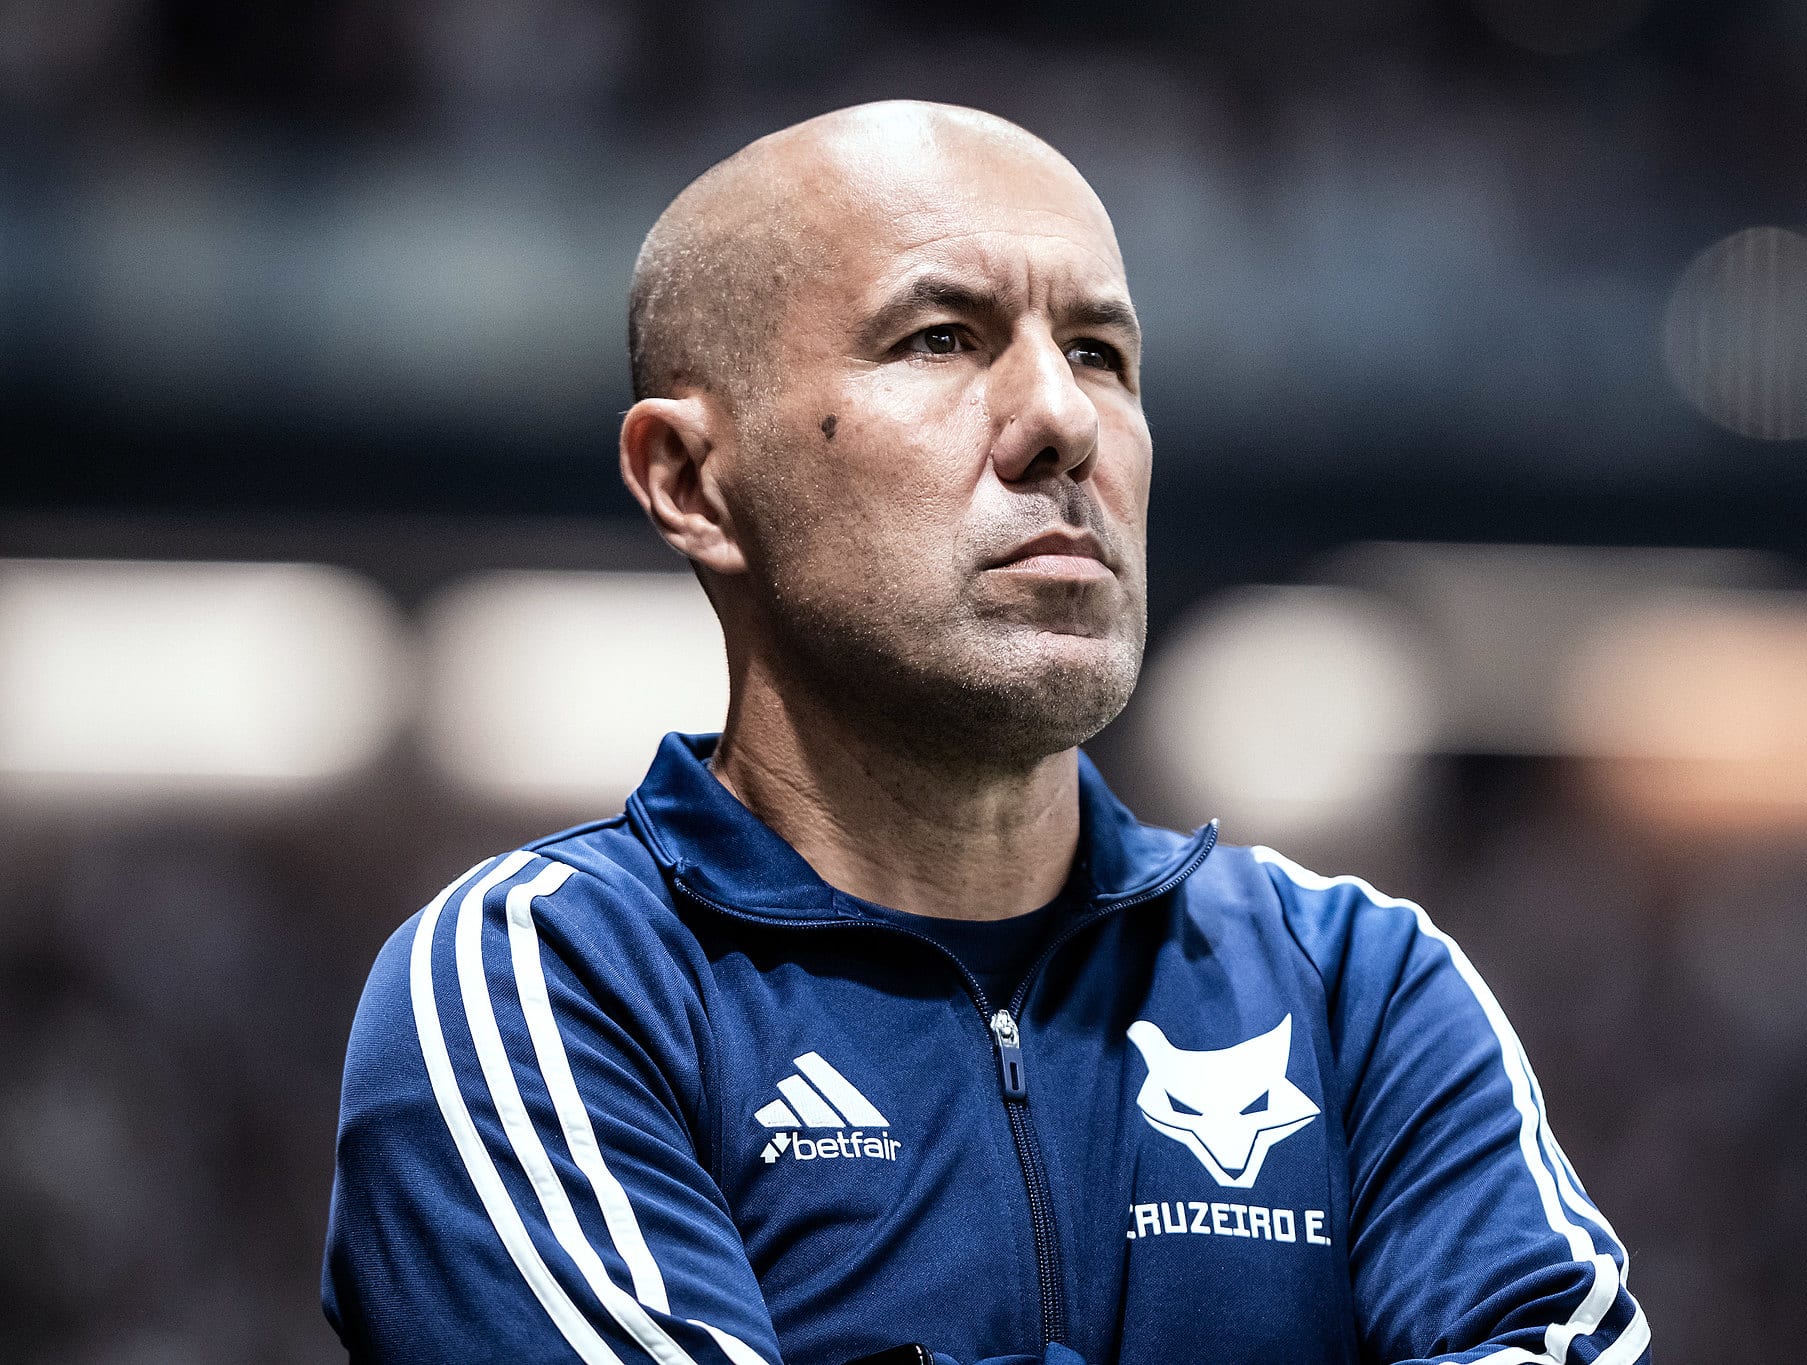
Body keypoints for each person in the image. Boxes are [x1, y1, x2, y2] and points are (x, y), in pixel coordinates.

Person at [322, 101, 1650, 1365]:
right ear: (690, 478)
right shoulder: (546, 980)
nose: (1063, 421)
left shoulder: (1359, 987)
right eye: (942, 338)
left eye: (1100, 352)